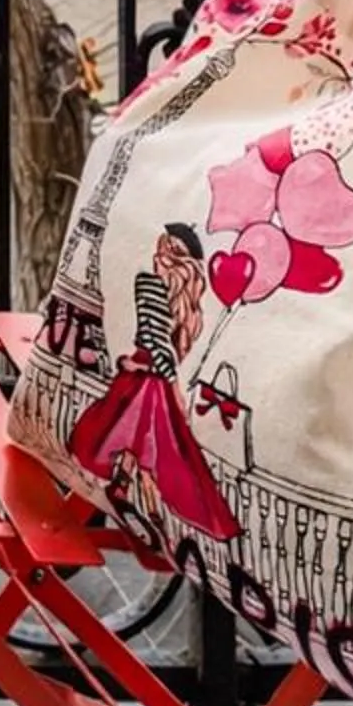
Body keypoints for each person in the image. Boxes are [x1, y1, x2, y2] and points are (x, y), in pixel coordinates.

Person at [66, 222, 242, 541]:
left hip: (149, 374)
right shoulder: (152, 284)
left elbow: (160, 344)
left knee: (142, 437)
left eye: (171, 251)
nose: (161, 255)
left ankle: (133, 497)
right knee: (152, 440)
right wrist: (173, 386)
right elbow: (155, 342)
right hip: (150, 375)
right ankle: (148, 511)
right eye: (163, 247)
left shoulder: (172, 294)